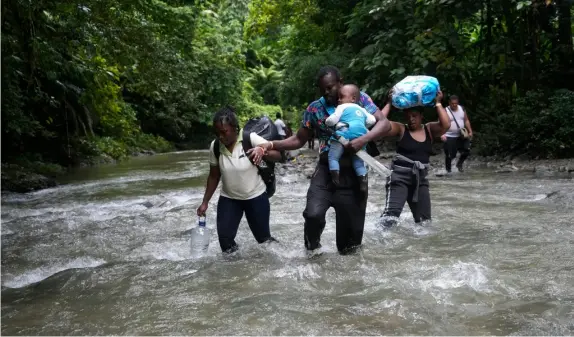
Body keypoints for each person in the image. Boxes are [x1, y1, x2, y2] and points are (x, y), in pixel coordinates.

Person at [255, 65, 391, 256]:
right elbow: (298, 140)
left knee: (349, 249)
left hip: (354, 174)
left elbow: (384, 124)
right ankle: (313, 253)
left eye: (330, 87)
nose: (327, 93)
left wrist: (363, 140)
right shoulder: (315, 108)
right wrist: (270, 144)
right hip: (326, 170)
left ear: (340, 82)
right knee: (313, 215)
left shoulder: (358, 98)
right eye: (323, 89)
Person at [197, 106, 282, 253]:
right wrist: (205, 202)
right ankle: (237, 270)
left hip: (255, 197)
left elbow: (279, 155)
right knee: (225, 240)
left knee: (263, 239)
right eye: (217, 133)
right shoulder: (216, 146)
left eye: (224, 132)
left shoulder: (250, 138)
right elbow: (214, 176)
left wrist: (262, 151)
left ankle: (282, 255)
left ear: (235, 128)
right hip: (229, 198)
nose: (221, 137)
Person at [378, 90, 450, 228]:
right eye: (408, 116)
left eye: (414, 116)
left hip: (420, 179)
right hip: (399, 178)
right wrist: (389, 103)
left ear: (421, 116)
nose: (411, 119)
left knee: (424, 222)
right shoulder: (401, 129)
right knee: (390, 217)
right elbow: (380, 124)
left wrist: (438, 103)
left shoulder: (429, 129)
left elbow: (445, 125)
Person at [325, 84, 376, 191]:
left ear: (353, 98)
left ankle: (335, 179)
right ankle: (363, 182)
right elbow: (372, 120)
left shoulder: (342, 107)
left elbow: (332, 120)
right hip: (360, 136)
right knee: (358, 162)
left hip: (345, 132)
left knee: (333, 157)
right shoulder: (362, 109)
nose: (338, 99)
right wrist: (361, 124)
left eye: (341, 97)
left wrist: (327, 122)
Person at [441, 95, 473, 172]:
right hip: (449, 135)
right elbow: (440, 123)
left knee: (467, 150)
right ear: (449, 103)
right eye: (452, 103)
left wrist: (470, 131)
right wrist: (442, 134)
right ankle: (448, 171)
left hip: (461, 135)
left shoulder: (462, 108)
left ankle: (459, 164)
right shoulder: (445, 111)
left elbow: (466, 120)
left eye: (456, 103)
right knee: (449, 155)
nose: (454, 105)